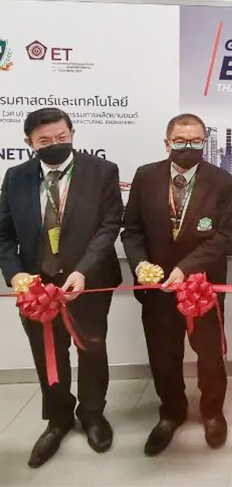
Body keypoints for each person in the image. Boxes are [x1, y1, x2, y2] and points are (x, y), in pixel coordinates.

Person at [0, 108, 123, 468]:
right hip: (37, 288)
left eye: (61, 137)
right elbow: (3, 233)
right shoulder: (16, 177)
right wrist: (15, 274)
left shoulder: (102, 171)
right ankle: (58, 419)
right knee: (48, 353)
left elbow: (109, 225)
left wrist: (83, 269)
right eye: (44, 140)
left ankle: (92, 413)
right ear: (29, 142)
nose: (54, 144)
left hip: (89, 280)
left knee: (92, 348)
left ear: (72, 133)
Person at [121, 113, 232, 456]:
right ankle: (171, 412)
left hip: (203, 286)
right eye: (181, 141)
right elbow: (132, 230)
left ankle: (212, 412)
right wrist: (140, 264)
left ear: (205, 142)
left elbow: (223, 236)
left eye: (196, 141)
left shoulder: (222, 181)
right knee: (163, 354)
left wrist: (185, 269)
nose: (188, 146)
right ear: (167, 143)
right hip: (157, 289)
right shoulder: (145, 176)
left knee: (210, 355)